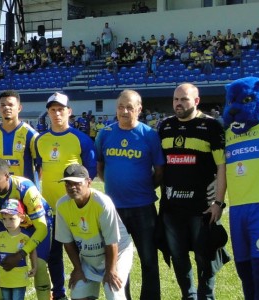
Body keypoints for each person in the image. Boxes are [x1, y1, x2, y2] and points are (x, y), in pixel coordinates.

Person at [157, 83, 228, 299]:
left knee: (203, 255)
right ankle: (188, 295)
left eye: (184, 99)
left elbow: (221, 167)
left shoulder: (212, 127)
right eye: (176, 99)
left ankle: (206, 296)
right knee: (178, 256)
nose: (179, 103)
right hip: (171, 207)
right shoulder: (165, 126)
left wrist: (218, 202)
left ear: (196, 101)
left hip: (201, 208)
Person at [95, 89, 165, 300]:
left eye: (129, 107)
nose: (124, 111)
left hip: (143, 208)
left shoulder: (150, 135)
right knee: (116, 261)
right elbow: (100, 168)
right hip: (114, 210)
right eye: (120, 107)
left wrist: (142, 189)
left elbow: (160, 171)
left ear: (139, 109)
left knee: (149, 260)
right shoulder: (105, 134)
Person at [34, 92, 96, 300]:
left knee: (84, 250)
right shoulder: (40, 140)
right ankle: (58, 292)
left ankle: (87, 289)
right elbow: (39, 170)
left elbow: (91, 172)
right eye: (53, 110)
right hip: (50, 208)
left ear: (69, 111)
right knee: (54, 253)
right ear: (48, 112)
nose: (57, 113)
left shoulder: (81, 140)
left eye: (61, 109)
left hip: (75, 207)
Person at [0, 158, 53, 300]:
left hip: (35, 225)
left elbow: (41, 228)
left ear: (7, 176)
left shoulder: (25, 188)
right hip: (9, 224)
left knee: (40, 266)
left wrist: (21, 254)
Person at [56, 164, 134, 300]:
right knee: (78, 293)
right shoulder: (62, 205)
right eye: (68, 183)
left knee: (113, 292)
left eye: (77, 183)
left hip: (118, 252)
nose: (71, 187)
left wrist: (110, 271)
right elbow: (67, 243)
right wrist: (78, 269)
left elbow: (112, 242)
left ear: (89, 182)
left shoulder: (103, 203)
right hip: (90, 258)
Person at [0, 199, 38, 300]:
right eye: (4, 219)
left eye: (11, 219)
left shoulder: (25, 237)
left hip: (20, 279)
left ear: (21, 218)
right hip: (4, 279)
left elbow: (32, 251)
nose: (7, 222)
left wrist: (34, 266)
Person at [0, 90, 39, 181]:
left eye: (11, 105)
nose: (7, 108)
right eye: (3, 105)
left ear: (19, 108)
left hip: (24, 191)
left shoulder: (31, 134)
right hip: (2, 190)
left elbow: (40, 166)